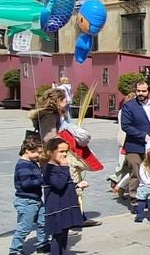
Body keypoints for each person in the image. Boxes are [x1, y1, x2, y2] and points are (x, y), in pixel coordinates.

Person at [32, 88, 101, 227]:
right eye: (64, 99)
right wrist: (61, 150)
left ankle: (75, 216)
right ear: (58, 101)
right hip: (56, 158)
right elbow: (49, 137)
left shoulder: (54, 114)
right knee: (66, 186)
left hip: (58, 156)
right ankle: (68, 218)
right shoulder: (49, 115)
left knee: (70, 185)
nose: (67, 102)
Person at [41, 136, 86, 255]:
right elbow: (59, 184)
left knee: (64, 233)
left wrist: (78, 185)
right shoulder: (48, 168)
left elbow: (67, 184)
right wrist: (65, 168)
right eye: (61, 151)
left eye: (66, 151)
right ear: (50, 152)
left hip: (66, 205)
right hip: (56, 207)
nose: (64, 154)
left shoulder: (60, 167)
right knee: (57, 234)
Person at [8, 137, 48, 255]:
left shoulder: (32, 163)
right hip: (26, 201)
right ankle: (14, 251)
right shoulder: (22, 165)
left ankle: (43, 243)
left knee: (43, 221)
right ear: (27, 150)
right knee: (25, 227)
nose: (39, 155)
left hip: (36, 200)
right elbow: (26, 184)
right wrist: (42, 180)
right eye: (37, 152)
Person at [118, 81, 150, 198]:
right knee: (136, 173)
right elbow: (126, 125)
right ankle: (135, 200)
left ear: (149, 91)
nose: (140, 93)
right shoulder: (129, 105)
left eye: (143, 91)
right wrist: (143, 136)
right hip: (134, 146)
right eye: (138, 91)